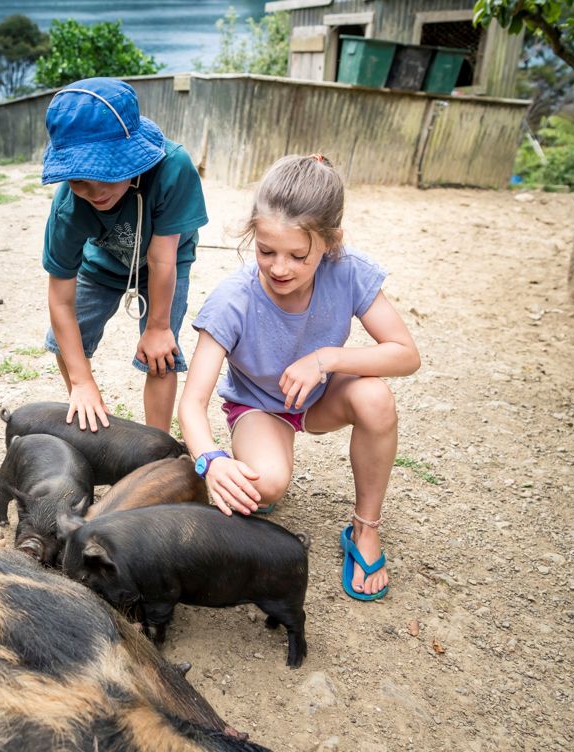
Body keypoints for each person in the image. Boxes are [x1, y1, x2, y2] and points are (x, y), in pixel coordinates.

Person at [177, 154, 420, 602]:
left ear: (331, 242)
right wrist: (210, 459)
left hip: (324, 395)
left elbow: (406, 355)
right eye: (266, 251)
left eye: (298, 255)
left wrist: (326, 358)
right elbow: (191, 402)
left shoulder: (348, 271)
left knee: (376, 398)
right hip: (261, 408)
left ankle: (365, 530)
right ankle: (257, 461)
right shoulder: (234, 299)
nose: (280, 268)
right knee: (263, 485)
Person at [40, 77, 208, 433]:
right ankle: (89, 418)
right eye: (79, 179)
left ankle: (156, 446)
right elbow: (60, 301)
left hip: (166, 262)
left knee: (161, 354)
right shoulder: (68, 210)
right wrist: (83, 381)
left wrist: (159, 327)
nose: (95, 191)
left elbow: (163, 258)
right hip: (101, 263)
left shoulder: (173, 167)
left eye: (107, 173)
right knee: (64, 342)